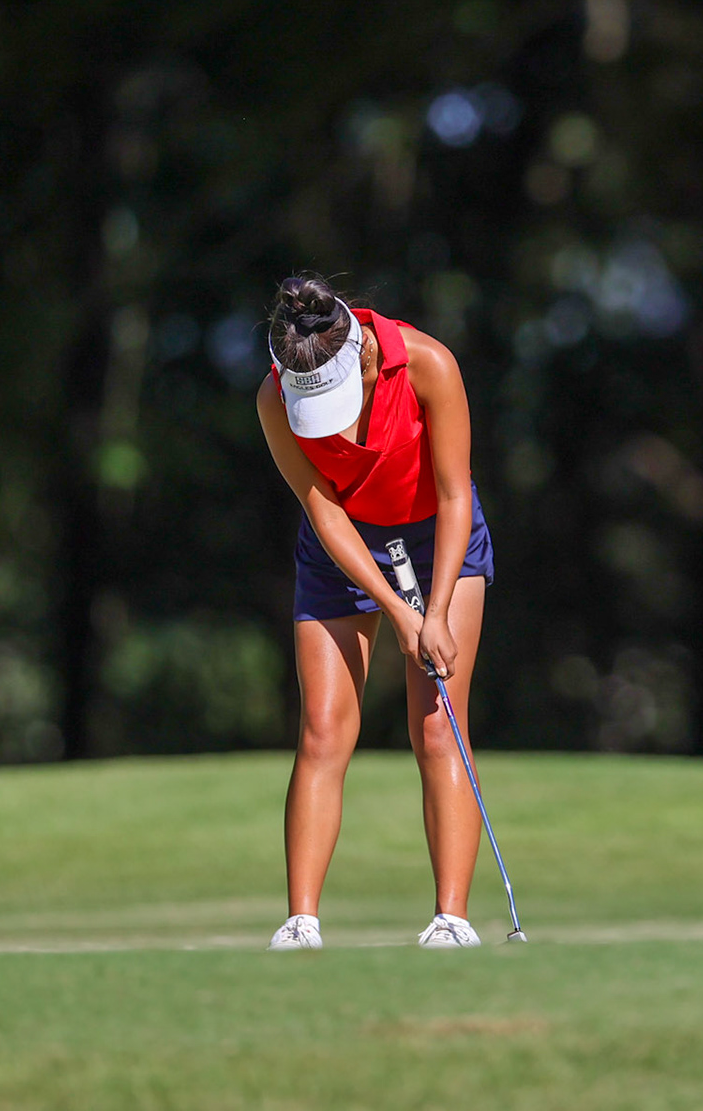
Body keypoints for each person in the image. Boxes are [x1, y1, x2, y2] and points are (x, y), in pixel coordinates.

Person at [256, 274, 496, 950]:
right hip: (345, 541)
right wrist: (398, 609)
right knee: (323, 730)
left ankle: (452, 920)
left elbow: (455, 497)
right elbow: (323, 511)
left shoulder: (427, 364)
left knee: (438, 726)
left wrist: (436, 610)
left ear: (360, 357)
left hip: (437, 536)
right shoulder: (275, 397)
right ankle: (300, 923)